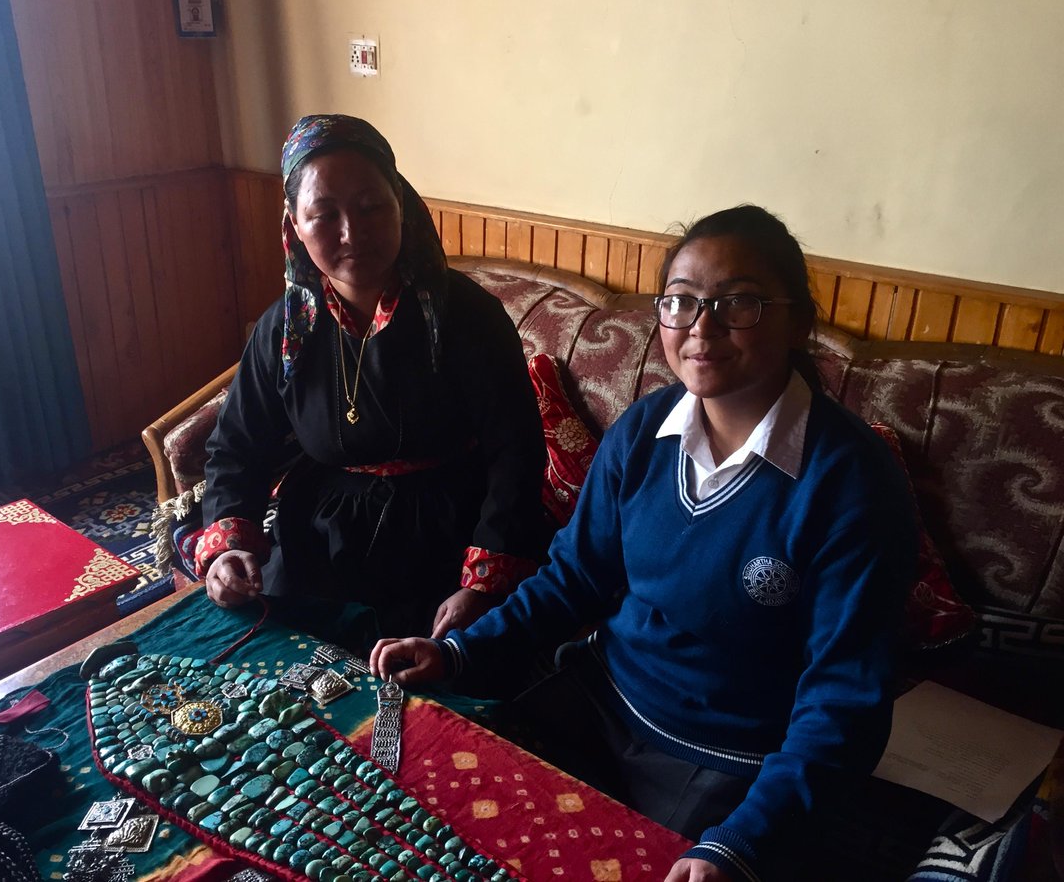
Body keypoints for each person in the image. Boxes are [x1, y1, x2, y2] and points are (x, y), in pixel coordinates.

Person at [372, 205, 918, 882]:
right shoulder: (644, 430)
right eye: (681, 301)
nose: (702, 327)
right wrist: (459, 651)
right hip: (598, 702)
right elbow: (573, 577)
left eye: (739, 302)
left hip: (732, 764)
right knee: (431, 808)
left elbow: (843, 699)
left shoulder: (853, 483)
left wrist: (739, 842)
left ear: (798, 321)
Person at [196, 114, 547, 645]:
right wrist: (229, 548)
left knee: (442, 678)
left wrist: (481, 584)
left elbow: (515, 453)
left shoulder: (468, 316)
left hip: (450, 537)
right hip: (320, 537)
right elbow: (236, 447)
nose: (351, 233)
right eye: (324, 214)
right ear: (294, 225)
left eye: (370, 207)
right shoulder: (285, 329)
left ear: (400, 203)